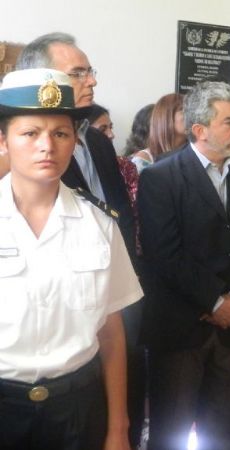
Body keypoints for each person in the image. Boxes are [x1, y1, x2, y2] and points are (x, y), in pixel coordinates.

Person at [0, 68, 142, 450]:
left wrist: (119, 428)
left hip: (77, 410)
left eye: (60, 133)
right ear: (4, 140)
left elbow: (111, 334)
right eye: (30, 133)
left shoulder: (98, 224)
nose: (47, 146)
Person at [137, 80, 230, 450]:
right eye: (229, 122)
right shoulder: (161, 177)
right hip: (182, 327)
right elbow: (165, 254)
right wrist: (215, 302)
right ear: (200, 130)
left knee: (222, 432)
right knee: (173, 431)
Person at [16, 32, 137, 267]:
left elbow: (120, 207)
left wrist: (127, 264)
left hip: (115, 270)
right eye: (78, 73)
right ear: (44, 83)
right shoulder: (21, 149)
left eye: (90, 72)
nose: (92, 81)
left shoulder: (98, 140)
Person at [131, 93, 185, 172]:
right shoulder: (143, 160)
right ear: (167, 117)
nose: (191, 115)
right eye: (183, 110)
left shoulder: (196, 153)